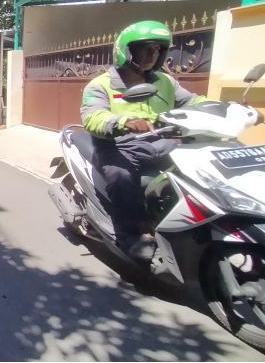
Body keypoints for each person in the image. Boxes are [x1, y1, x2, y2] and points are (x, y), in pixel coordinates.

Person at [80, 20, 207, 261]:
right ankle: (132, 235)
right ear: (127, 50)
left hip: (163, 143)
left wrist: (225, 108)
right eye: (145, 48)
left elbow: (193, 101)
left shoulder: (165, 82)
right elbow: (93, 117)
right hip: (119, 147)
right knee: (121, 177)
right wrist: (124, 122)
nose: (152, 55)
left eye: (158, 49)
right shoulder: (100, 85)